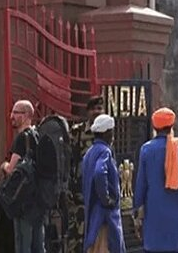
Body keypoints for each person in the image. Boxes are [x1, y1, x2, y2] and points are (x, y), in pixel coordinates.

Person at [133, 108, 178, 253]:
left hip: (153, 216)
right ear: (172, 126)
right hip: (175, 216)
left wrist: (136, 214)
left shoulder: (146, 150)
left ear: (154, 128)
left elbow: (141, 185)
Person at [1, 100, 44, 253]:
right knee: (39, 245)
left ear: (26, 115)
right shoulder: (38, 136)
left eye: (16, 112)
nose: (11, 116)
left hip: (23, 201)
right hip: (39, 200)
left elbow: (11, 170)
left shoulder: (21, 139)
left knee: (23, 245)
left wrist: (4, 165)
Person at [81, 114, 125, 253]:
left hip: (93, 214)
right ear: (107, 133)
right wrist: (106, 199)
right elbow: (100, 173)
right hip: (104, 218)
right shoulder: (105, 151)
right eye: (111, 132)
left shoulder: (89, 153)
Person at [67, 97, 104, 253]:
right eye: (94, 108)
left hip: (98, 192)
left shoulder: (105, 133)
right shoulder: (77, 132)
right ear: (88, 111)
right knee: (77, 234)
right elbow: (68, 160)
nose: (97, 112)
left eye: (100, 108)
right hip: (79, 192)